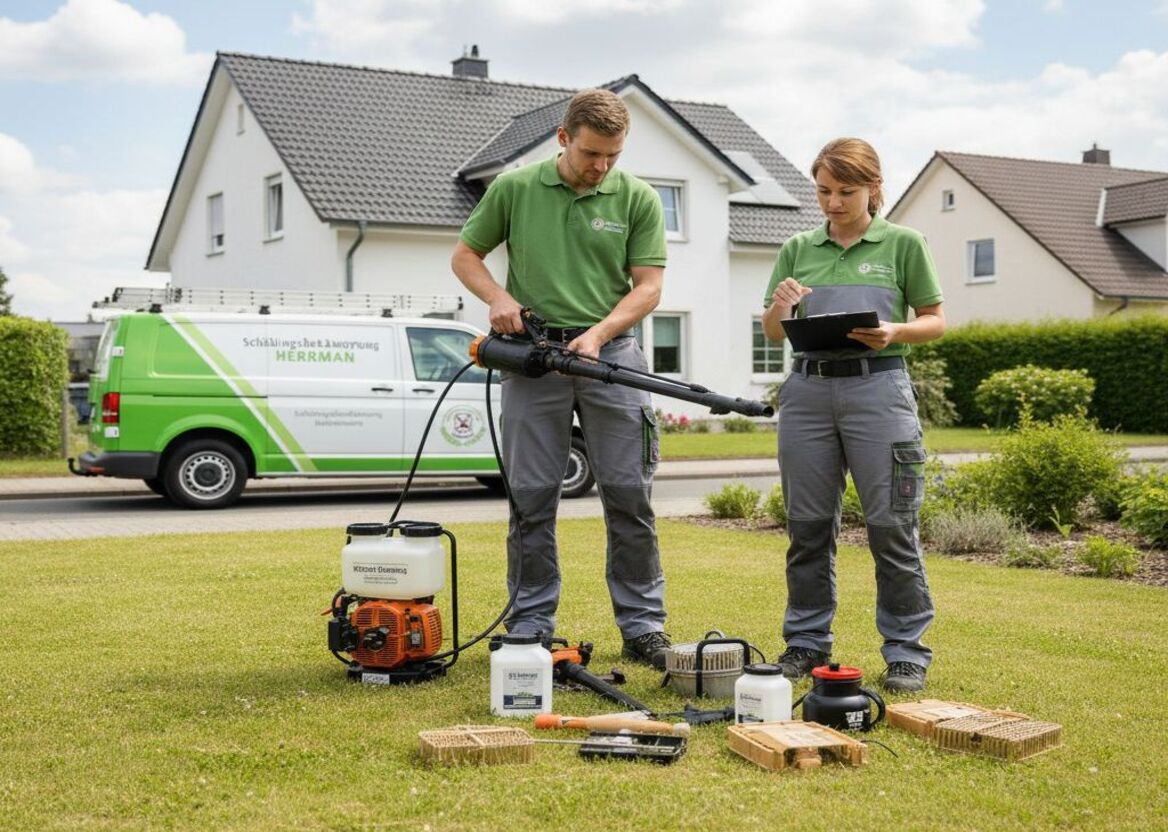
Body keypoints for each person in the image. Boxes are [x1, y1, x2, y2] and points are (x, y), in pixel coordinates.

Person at [450, 89, 672, 669]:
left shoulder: (638, 197)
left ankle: (644, 625)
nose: (601, 167)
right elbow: (465, 257)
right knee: (531, 498)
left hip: (613, 357)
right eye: (592, 153)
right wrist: (498, 297)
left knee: (629, 495)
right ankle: (529, 623)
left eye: (613, 156)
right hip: (534, 358)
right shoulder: (515, 188)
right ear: (563, 138)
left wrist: (599, 334)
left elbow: (648, 286)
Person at [761, 137, 945, 693]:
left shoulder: (904, 244)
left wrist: (894, 331)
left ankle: (907, 651)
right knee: (809, 527)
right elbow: (774, 332)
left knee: (893, 525)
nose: (833, 202)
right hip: (809, 393)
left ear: (873, 188)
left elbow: (935, 320)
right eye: (823, 191)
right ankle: (806, 643)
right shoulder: (797, 246)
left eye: (845, 191)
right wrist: (782, 306)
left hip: (879, 391)